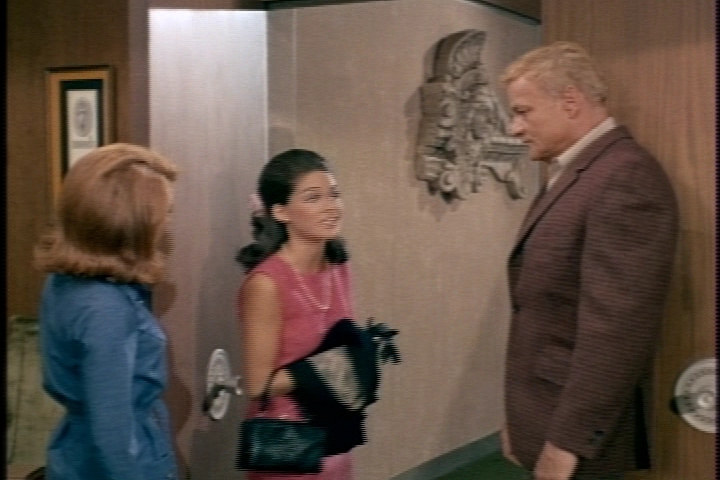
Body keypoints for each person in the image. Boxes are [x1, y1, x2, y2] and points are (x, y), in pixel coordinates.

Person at [499, 42, 679, 480]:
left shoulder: (625, 177)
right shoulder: (580, 171)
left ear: (570, 101)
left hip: (577, 436)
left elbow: (617, 331)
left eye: (523, 112)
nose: (514, 128)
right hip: (542, 408)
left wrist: (569, 443)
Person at [34, 143, 179, 479]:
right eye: (165, 213)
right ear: (131, 222)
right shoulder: (104, 308)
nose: (167, 224)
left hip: (76, 453)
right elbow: (113, 435)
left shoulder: (68, 281)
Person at [236, 149, 364, 480]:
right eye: (313, 198)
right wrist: (333, 367)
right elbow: (258, 384)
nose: (331, 207)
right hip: (289, 444)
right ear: (280, 211)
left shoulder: (338, 266)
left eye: (334, 194)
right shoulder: (266, 284)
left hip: (335, 436)